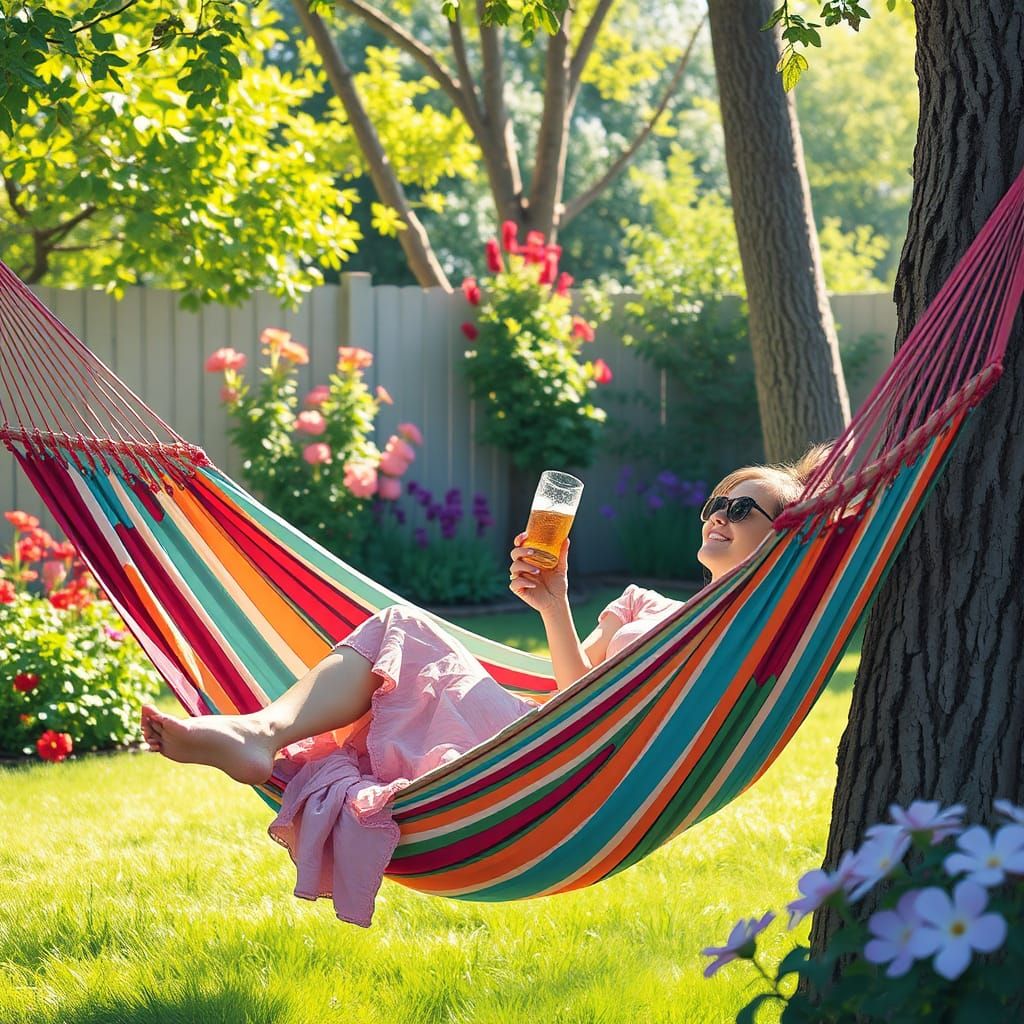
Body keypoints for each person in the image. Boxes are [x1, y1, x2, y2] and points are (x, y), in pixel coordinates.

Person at [139, 440, 833, 925]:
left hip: (568, 768)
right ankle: (260, 733)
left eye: (743, 510)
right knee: (398, 636)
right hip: (531, 740)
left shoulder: (729, 643)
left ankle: (261, 733)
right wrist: (553, 603)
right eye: (718, 501)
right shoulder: (642, 606)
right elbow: (570, 697)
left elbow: (592, 720)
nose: (719, 514)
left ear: (784, 539)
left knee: (401, 628)